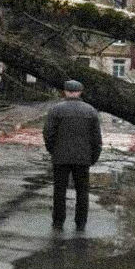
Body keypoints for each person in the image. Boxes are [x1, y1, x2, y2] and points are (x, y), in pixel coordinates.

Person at [43, 79, 102, 232]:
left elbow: (48, 133)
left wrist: (53, 150)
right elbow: (96, 138)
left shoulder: (56, 110)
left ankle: (58, 221)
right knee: (82, 192)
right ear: (80, 92)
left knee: (59, 191)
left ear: (65, 92)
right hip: (83, 158)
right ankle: (80, 222)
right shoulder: (90, 111)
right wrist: (93, 156)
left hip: (60, 157)